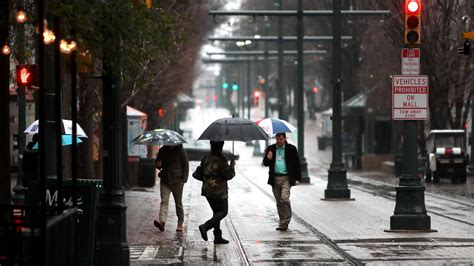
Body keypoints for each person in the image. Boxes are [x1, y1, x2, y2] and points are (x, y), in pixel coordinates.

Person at [198, 141, 235, 244]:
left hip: (207, 190)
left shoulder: (206, 157)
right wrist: (232, 166)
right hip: (219, 191)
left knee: (216, 212)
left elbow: (202, 172)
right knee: (223, 212)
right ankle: (205, 226)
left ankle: (217, 237)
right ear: (221, 147)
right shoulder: (221, 160)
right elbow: (229, 175)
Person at [262, 132, 301, 231]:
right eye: (277, 139)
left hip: (286, 178)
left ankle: (286, 220)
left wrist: (298, 178)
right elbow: (265, 163)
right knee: (279, 201)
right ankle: (282, 222)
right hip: (275, 179)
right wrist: (268, 158)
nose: (279, 141)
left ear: (284, 139)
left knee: (284, 198)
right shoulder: (271, 148)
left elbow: (297, 164)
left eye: (281, 139)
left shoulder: (291, 149)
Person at [153, 144, 189, 232]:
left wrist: (183, 180)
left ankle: (180, 223)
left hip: (177, 181)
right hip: (165, 180)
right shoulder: (162, 150)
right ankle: (162, 222)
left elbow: (185, 165)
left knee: (178, 203)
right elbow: (158, 164)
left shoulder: (180, 149)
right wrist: (158, 164)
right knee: (164, 201)